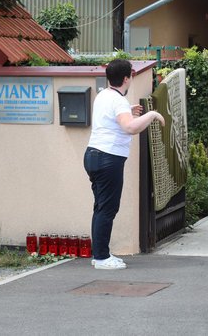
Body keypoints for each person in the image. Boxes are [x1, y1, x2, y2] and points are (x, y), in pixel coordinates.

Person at [83, 59, 165, 270]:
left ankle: (100, 254)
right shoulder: (118, 101)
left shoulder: (103, 95)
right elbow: (129, 128)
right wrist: (151, 114)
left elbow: (115, 118)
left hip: (93, 155)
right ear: (126, 78)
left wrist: (128, 109)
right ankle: (101, 258)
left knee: (101, 207)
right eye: (131, 75)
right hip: (108, 159)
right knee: (107, 209)